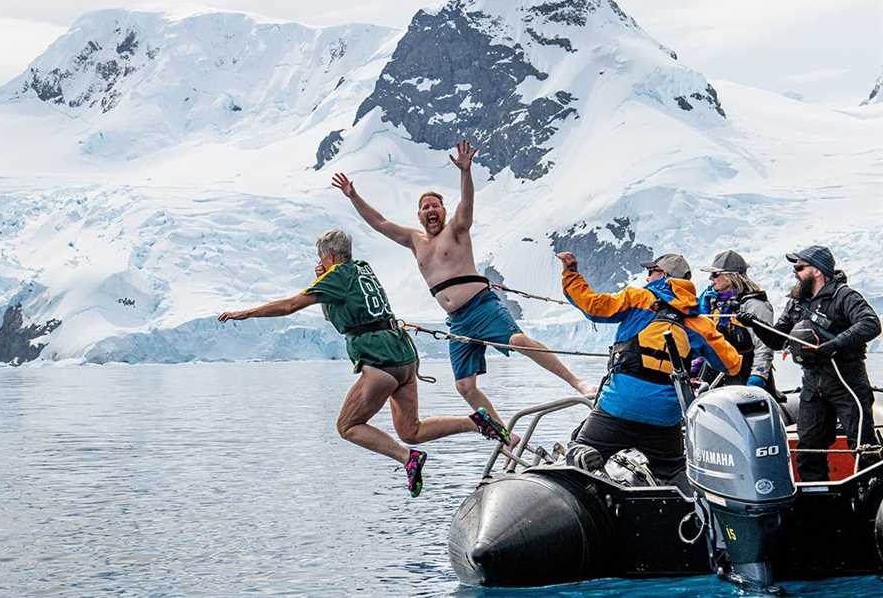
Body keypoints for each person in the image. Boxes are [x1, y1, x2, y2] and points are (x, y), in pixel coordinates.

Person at [218, 228, 511, 497]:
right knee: (411, 431)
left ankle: (407, 458)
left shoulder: (337, 277)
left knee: (348, 426)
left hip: (379, 359)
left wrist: (245, 313)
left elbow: (289, 305)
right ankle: (475, 422)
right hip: (403, 357)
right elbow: (331, 310)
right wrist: (322, 277)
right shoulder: (362, 269)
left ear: (330, 257)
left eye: (322, 258)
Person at [332, 139, 594, 435]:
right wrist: (353, 196)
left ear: (443, 211)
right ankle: (505, 437)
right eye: (425, 207)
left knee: (518, 341)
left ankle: (577, 382)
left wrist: (465, 172)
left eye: (435, 206)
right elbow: (379, 223)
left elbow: (467, 203)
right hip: (457, 322)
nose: (431, 210)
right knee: (464, 386)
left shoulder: (456, 230)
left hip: (481, 306)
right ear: (419, 215)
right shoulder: (414, 240)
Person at [556, 250, 741, 487]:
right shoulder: (698, 321)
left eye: (650, 272)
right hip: (664, 418)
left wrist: (571, 273)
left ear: (662, 274)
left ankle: (586, 458)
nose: (647, 278)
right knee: (672, 468)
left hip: (618, 407)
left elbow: (593, 306)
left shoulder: (638, 298)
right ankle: (686, 502)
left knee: (578, 448)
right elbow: (731, 364)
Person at [746, 246, 880, 481]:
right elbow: (779, 340)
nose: (795, 272)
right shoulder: (797, 302)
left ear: (817, 271)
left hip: (846, 382)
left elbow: (870, 323)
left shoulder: (844, 296)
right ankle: (818, 507)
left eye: (799, 267)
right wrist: (756, 325)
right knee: (808, 449)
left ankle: (872, 504)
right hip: (812, 384)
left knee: (864, 447)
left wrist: (835, 344)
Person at [696, 249, 778, 396]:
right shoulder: (713, 301)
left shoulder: (755, 305)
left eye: (715, 274)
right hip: (716, 373)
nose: (710, 278)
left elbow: (764, 346)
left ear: (731, 276)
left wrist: (758, 375)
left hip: (746, 374)